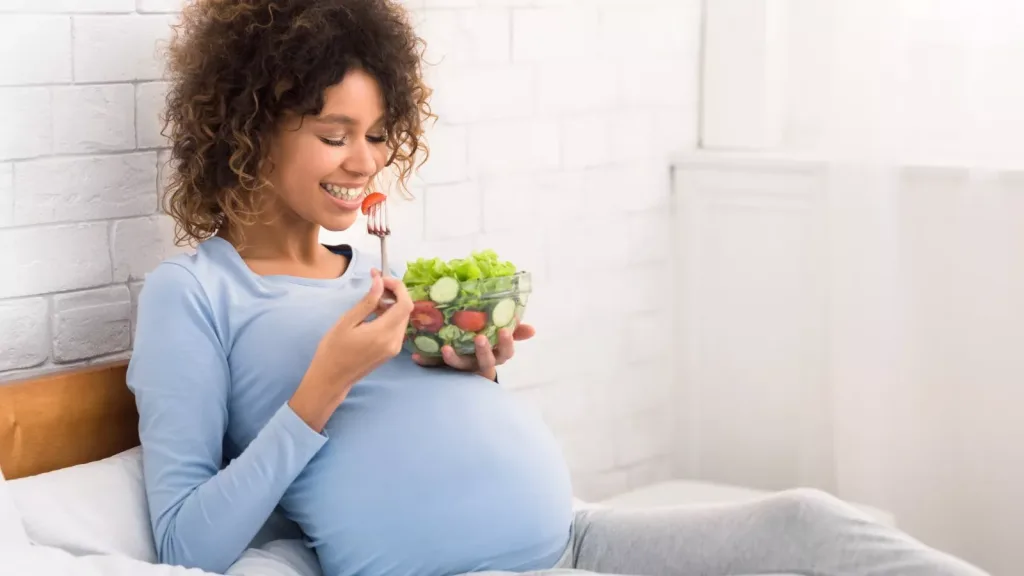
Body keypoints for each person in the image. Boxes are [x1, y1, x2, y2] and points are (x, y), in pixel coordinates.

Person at [127, 1, 989, 575]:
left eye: (381, 133)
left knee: (810, 524)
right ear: (248, 130)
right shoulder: (195, 295)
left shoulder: (382, 268)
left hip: (579, 536)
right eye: (334, 133)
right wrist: (325, 383)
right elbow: (185, 544)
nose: (366, 162)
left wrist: (472, 366)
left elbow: (414, 431)